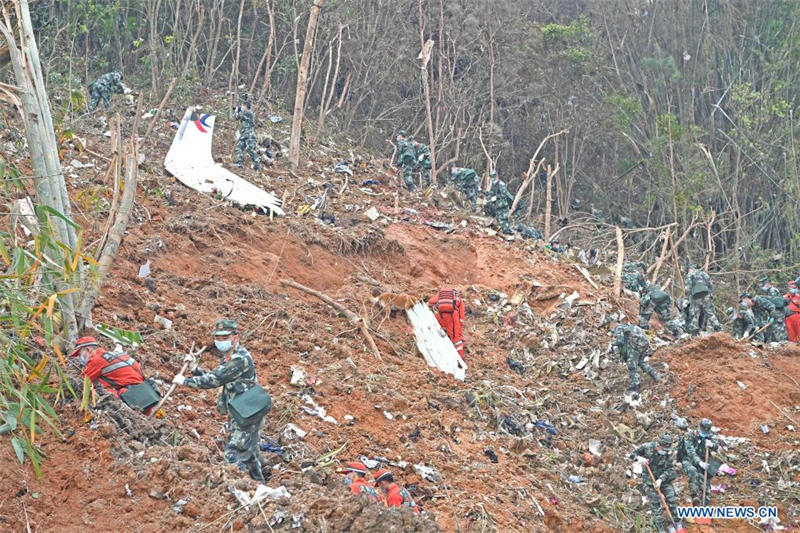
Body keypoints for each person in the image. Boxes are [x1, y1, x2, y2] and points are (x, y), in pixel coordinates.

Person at [172, 319, 266, 481]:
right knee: (250, 454)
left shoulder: (239, 358)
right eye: (218, 338)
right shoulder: (229, 357)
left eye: (225, 337)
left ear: (235, 337)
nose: (221, 341)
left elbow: (215, 380)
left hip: (248, 413)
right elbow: (218, 378)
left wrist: (185, 381)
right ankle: (259, 487)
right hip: (242, 410)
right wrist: (195, 369)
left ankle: (237, 487)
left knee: (234, 453)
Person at [629, 434, 684, 533]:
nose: (666, 451)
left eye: (667, 449)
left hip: (664, 480)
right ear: (658, 445)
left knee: (672, 498)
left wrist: (661, 480)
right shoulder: (647, 447)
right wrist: (639, 459)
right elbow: (632, 455)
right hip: (650, 481)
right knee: (656, 501)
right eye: (664, 449)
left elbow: (670, 469)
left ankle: (676, 522)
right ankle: (660, 526)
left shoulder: (668, 453)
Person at [70, 336, 147, 401]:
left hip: (131, 394)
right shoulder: (115, 354)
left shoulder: (96, 360)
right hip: (144, 390)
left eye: (80, 354)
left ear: (88, 350)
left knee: (99, 391)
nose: (80, 358)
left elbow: (82, 382)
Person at [610, 318, 660, 395]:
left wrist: (613, 343)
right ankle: (655, 376)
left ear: (612, 324)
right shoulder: (627, 325)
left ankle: (635, 386)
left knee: (632, 367)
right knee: (641, 362)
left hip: (636, 347)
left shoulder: (618, 328)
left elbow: (620, 341)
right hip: (644, 344)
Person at [678, 419, 717, 507]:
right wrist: (699, 462)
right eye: (703, 430)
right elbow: (690, 451)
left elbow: (716, 445)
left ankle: (705, 502)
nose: (705, 433)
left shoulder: (710, 435)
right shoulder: (690, 435)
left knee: (706, 479)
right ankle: (694, 496)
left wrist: (712, 445)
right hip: (689, 460)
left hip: (704, 460)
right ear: (699, 427)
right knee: (693, 471)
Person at [428, 288, 466, 358]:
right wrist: (460, 323)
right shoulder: (457, 297)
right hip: (452, 316)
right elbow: (461, 312)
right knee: (456, 339)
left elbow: (430, 302)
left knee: (439, 334)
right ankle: (460, 358)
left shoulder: (440, 295)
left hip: (439, 316)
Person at [684, 264, 721, 335]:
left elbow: (688, 288)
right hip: (706, 294)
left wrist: (686, 298)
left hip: (696, 297)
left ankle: (694, 332)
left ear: (689, 269)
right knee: (710, 312)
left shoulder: (690, 275)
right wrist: (710, 294)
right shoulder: (703, 273)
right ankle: (718, 329)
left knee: (695, 314)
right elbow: (710, 284)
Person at [234, 101, 260, 171]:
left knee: (250, 149)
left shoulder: (249, 113)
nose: (242, 107)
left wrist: (238, 110)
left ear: (246, 106)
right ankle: (240, 163)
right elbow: (236, 117)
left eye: (243, 105)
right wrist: (236, 111)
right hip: (244, 134)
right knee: (239, 148)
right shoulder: (243, 113)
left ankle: (257, 166)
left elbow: (240, 115)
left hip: (250, 135)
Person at [760, 277, 788, 341]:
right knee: (771, 330)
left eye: (763, 285)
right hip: (773, 314)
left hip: (778, 314)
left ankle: (783, 342)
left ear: (767, 284)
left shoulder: (773, 290)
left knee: (779, 330)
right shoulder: (768, 291)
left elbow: (775, 302)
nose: (762, 287)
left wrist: (765, 298)